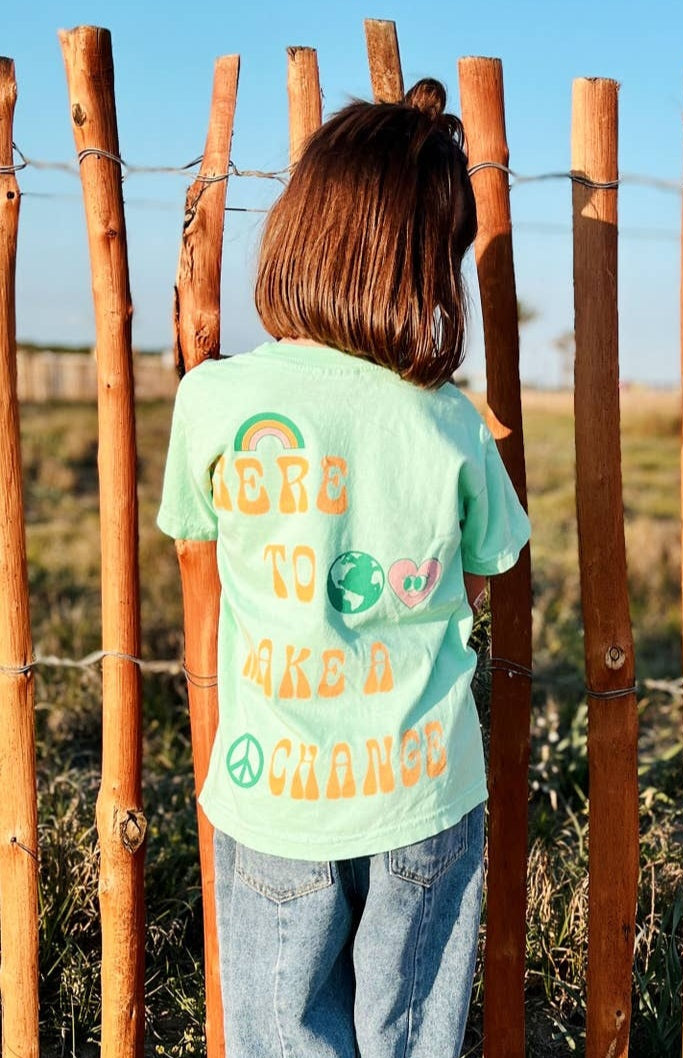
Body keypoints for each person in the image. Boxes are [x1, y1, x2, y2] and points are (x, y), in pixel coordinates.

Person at [157, 77, 531, 1058]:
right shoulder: (448, 421)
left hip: (274, 791)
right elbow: (484, 570)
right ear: (427, 271)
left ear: (299, 230)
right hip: (422, 792)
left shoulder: (215, 400)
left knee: (282, 1036)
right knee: (409, 1039)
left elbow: (200, 535)